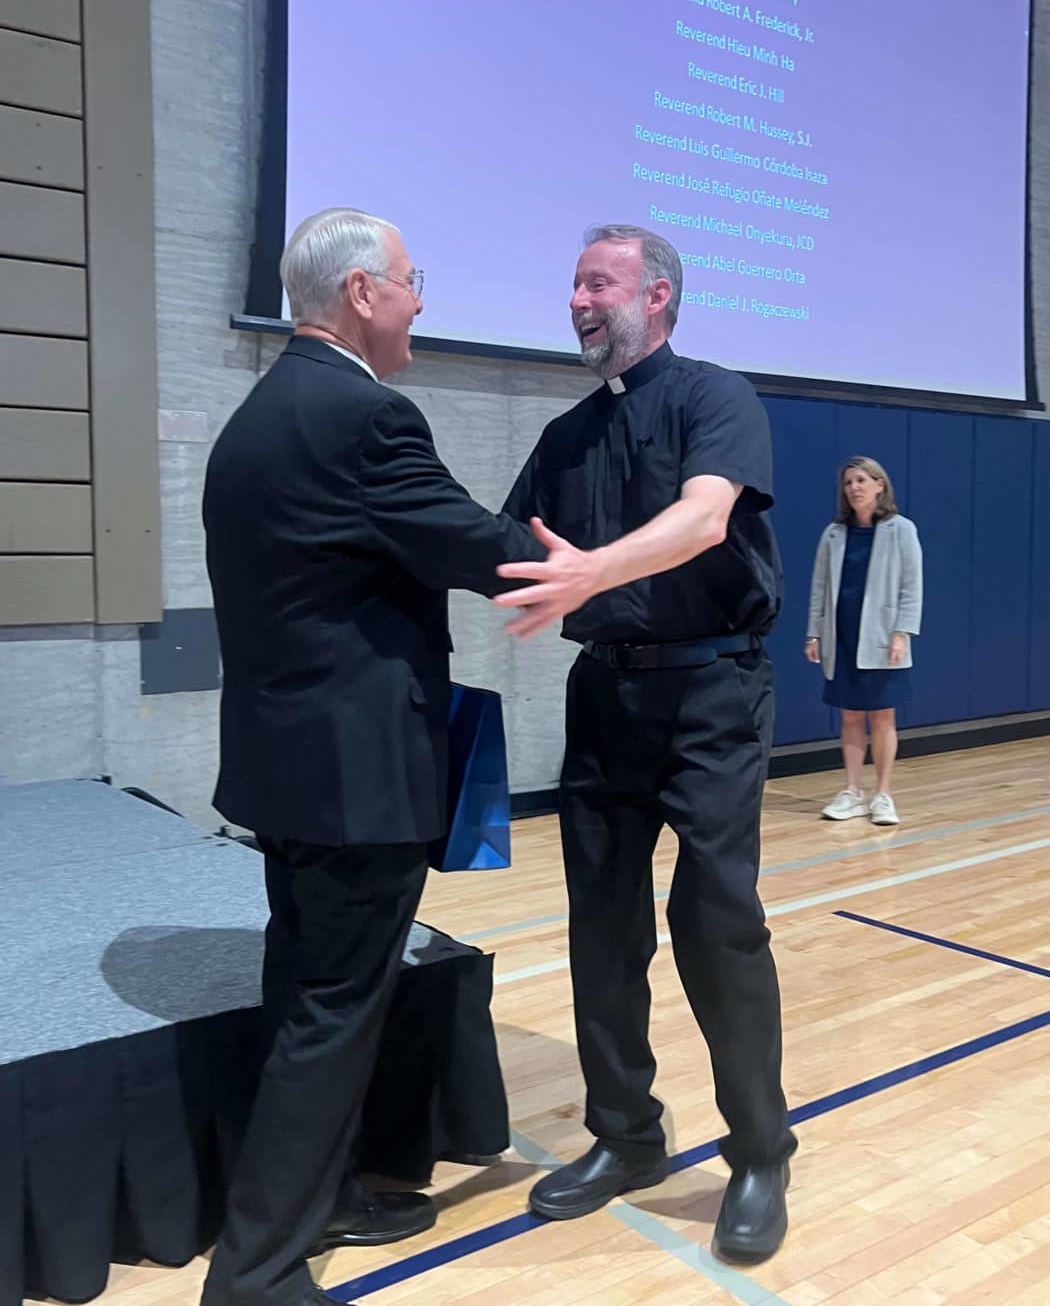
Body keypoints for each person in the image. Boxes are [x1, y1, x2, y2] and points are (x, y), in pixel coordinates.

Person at [201, 207, 545, 1306]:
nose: (419, 300)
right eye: (410, 280)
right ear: (360, 291)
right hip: (356, 780)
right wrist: (605, 555)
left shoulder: (255, 417)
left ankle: (331, 1194)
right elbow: (476, 547)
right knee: (331, 1013)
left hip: (282, 769)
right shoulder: (368, 418)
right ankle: (254, 1271)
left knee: (302, 988)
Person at [495, 224, 797, 1266]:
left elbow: (705, 519)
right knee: (602, 929)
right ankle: (626, 1137)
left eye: (599, 281)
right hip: (608, 699)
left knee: (718, 920)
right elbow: (499, 544)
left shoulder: (719, 396)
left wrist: (592, 574)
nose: (578, 298)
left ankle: (761, 1151)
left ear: (657, 296)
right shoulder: (570, 435)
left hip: (714, 688)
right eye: (573, 282)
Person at [805, 456, 923, 825]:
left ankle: (883, 795)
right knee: (851, 714)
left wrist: (902, 631)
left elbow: (912, 585)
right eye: (848, 482)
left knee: (883, 715)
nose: (854, 487)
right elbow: (819, 587)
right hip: (841, 636)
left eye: (861, 480)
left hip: (883, 636)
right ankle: (852, 791)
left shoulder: (901, 529)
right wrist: (814, 631)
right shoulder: (833, 533)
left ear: (879, 485)